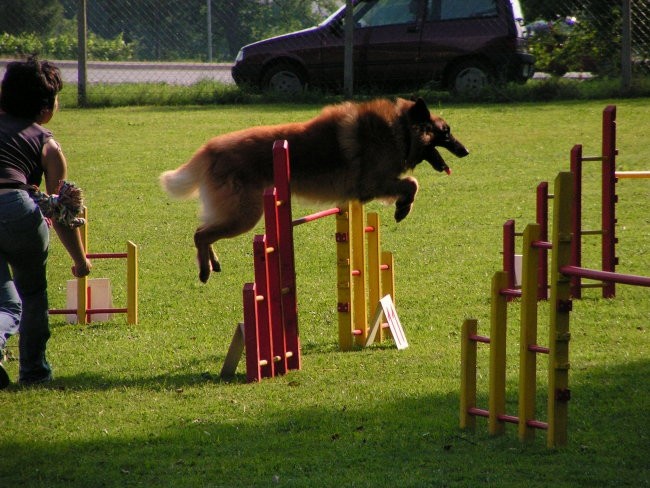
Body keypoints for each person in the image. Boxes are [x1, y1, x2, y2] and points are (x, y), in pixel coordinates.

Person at [0, 57, 91, 388]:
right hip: (16, 208)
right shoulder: (47, 143)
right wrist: (80, 261)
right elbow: (61, 209)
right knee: (32, 294)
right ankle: (34, 372)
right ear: (45, 109)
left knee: (3, 301)